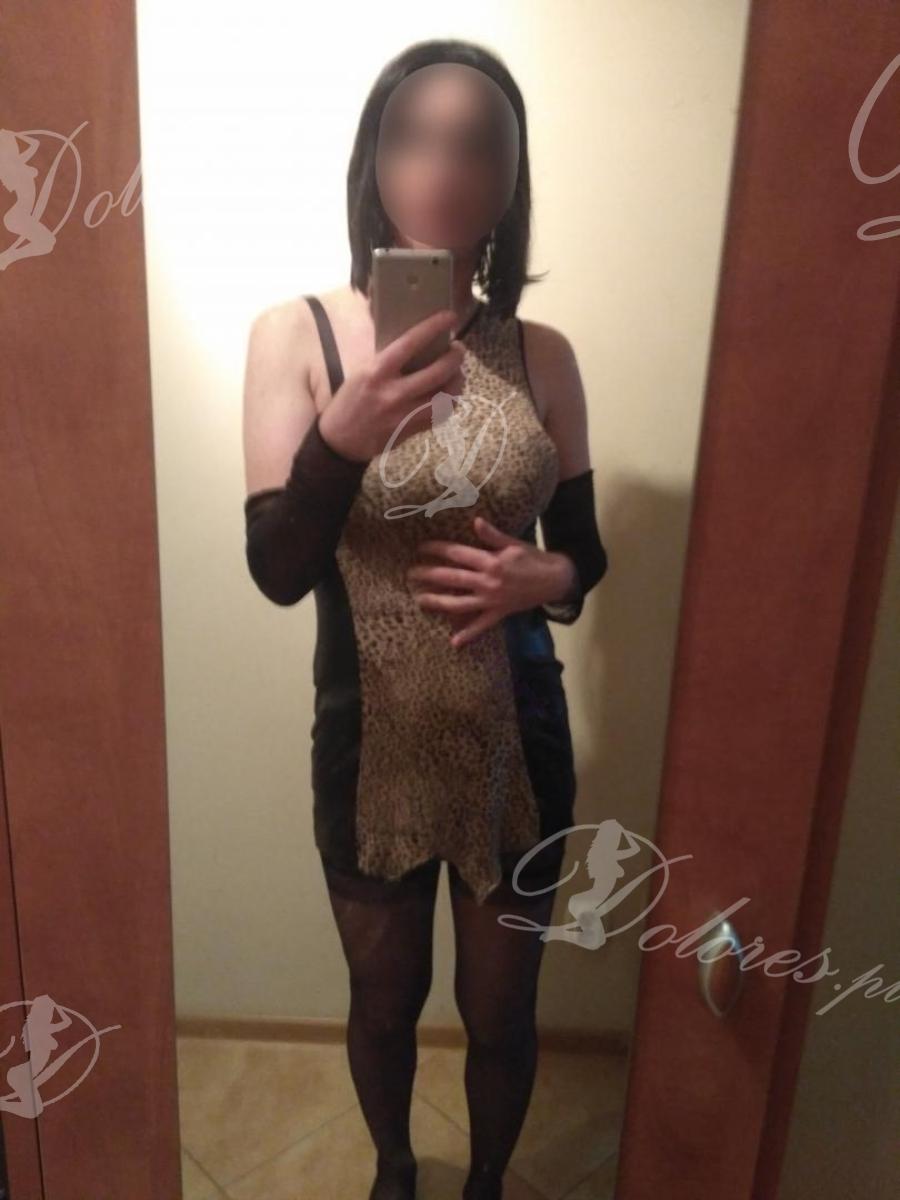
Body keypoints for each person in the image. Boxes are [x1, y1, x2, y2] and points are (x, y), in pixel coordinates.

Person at [242, 38, 608, 1200]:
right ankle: (395, 1171)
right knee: (383, 1002)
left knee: (503, 1013)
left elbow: (585, 556)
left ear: (510, 181)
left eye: (477, 144)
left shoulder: (543, 354)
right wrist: (340, 436)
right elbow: (277, 569)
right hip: (372, 749)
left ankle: (487, 1183)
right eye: (414, 137)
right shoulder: (298, 335)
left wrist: (549, 578)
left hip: (516, 740)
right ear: (374, 161)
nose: (443, 168)